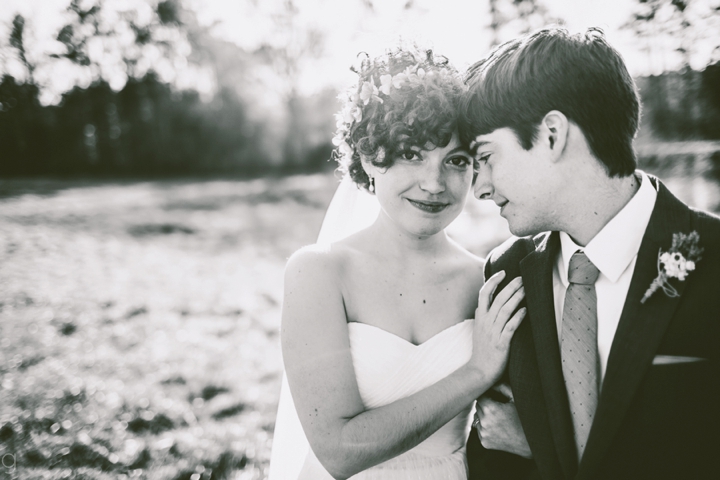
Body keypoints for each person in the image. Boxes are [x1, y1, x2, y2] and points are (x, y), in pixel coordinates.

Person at [461, 26, 720, 480]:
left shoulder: (715, 259)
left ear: (552, 135)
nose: (479, 187)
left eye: (486, 157)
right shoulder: (506, 275)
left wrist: (543, 452)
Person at [268, 46, 526, 480]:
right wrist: (476, 372)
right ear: (370, 156)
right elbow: (339, 450)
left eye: (456, 161)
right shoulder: (319, 273)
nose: (434, 183)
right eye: (411, 154)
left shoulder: (487, 279)